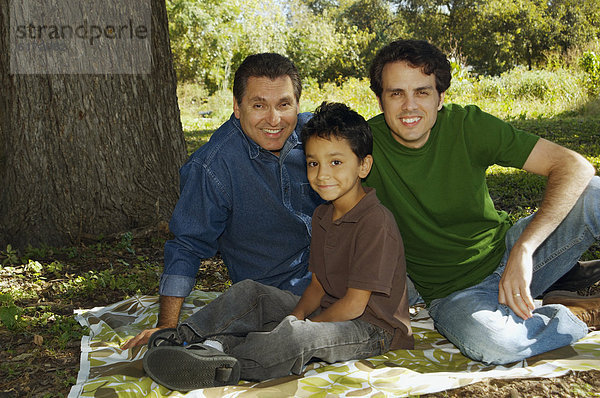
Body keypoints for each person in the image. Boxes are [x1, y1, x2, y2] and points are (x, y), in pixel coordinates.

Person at [141, 102, 413, 391]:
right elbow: (318, 288)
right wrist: (294, 315)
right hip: (331, 305)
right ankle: (183, 338)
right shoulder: (322, 214)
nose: (322, 175)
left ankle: (221, 363)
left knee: (295, 339)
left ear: (363, 165)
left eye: (336, 162)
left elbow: (355, 304)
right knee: (251, 292)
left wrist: (301, 326)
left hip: (372, 328)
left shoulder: (375, 222)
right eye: (313, 163)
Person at [364, 39, 600, 365]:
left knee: (596, 194)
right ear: (380, 100)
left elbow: (575, 166)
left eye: (422, 92)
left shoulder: (467, 126)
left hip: (510, 255)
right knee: (498, 346)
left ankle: (549, 283)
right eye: (396, 93)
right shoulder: (362, 146)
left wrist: (524, 249)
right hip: (452, 291)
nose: (409, 106)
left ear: (440, 97)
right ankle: (578, 314)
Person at [122, 53, 323, 349]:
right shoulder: (213, 165)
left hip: (340, 278)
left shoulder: (319, 138)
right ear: (237, 107)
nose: (274, 119)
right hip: (278, 297)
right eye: (258, 105)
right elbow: (187, 245)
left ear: (297, 105)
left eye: (284, 104)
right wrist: (166, 326)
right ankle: (200, 350)